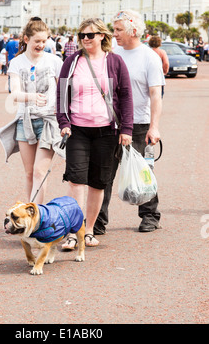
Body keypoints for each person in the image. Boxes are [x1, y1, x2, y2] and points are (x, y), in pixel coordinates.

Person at [56, 18, 133, 248]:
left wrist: (127, 129)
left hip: (107, 131)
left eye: (90, 35)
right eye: (82, 36)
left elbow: (127, 96)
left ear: (102, 36)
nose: (85, 39)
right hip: (77, 130)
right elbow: (61, 94)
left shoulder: (115, 62)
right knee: (76, 181)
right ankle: (73, 232)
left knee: (98, 183)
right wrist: (63, 122)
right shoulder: (72, 61)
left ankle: (88, 230)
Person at [95, 10, 165, 235]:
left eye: (118, 30)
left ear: (134, 31)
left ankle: (150, 215)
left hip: (139, 124)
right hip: (110, 123)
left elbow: (156, 94)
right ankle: (98, 220)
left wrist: (154, 127)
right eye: (113, 29)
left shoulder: (149, 57)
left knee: (143, 171)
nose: (113, 34)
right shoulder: (111, 54)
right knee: (104, 173)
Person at [0, 17, 64, 204]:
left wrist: (64, 117)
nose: (41, 45)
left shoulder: (54, 61)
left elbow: (64, 91)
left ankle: (38, 215)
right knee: (28, 173)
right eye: (37, 41)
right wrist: (32, 97)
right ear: (26, 39)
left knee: (40, 171)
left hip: (48, 121)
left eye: (44, 41)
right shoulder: (17, 62)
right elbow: (15, 93)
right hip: (24, 120)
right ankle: (30, 211)